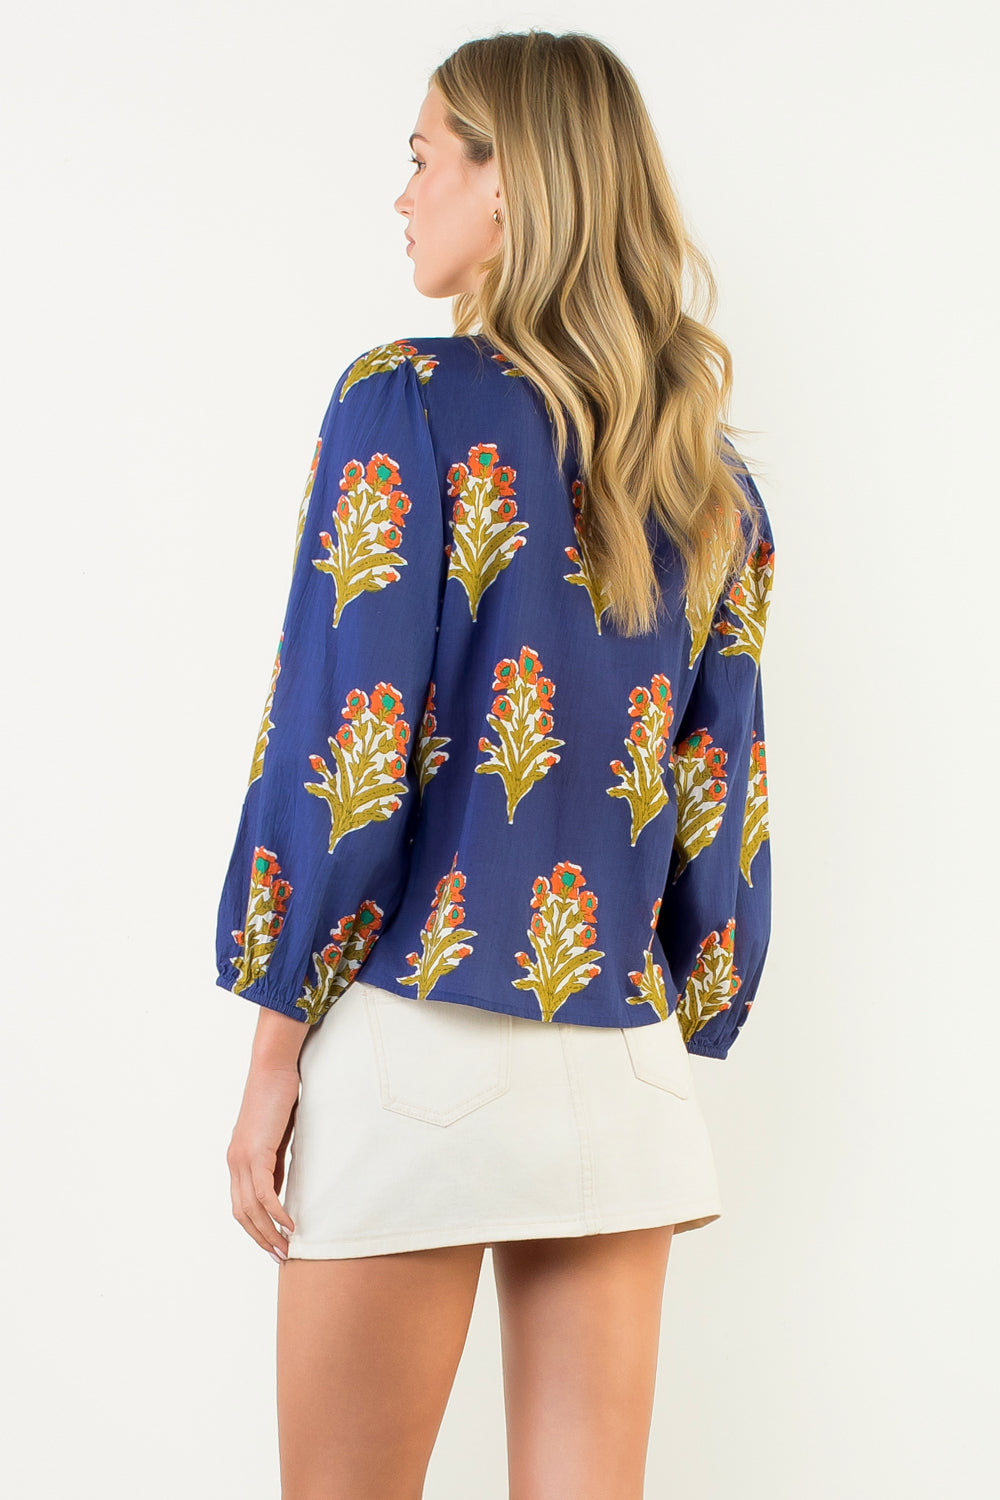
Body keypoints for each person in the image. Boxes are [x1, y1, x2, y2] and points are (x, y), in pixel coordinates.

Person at [217, 28, 775, 1500]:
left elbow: (344, 743)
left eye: (423, 158)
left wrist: (272, 1054)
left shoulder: (402, 399)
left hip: (422, 1041)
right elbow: (719, 797)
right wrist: (694, 991)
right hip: (626, 1072)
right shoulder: (704, 474)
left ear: (509, 182)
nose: (404, 195)